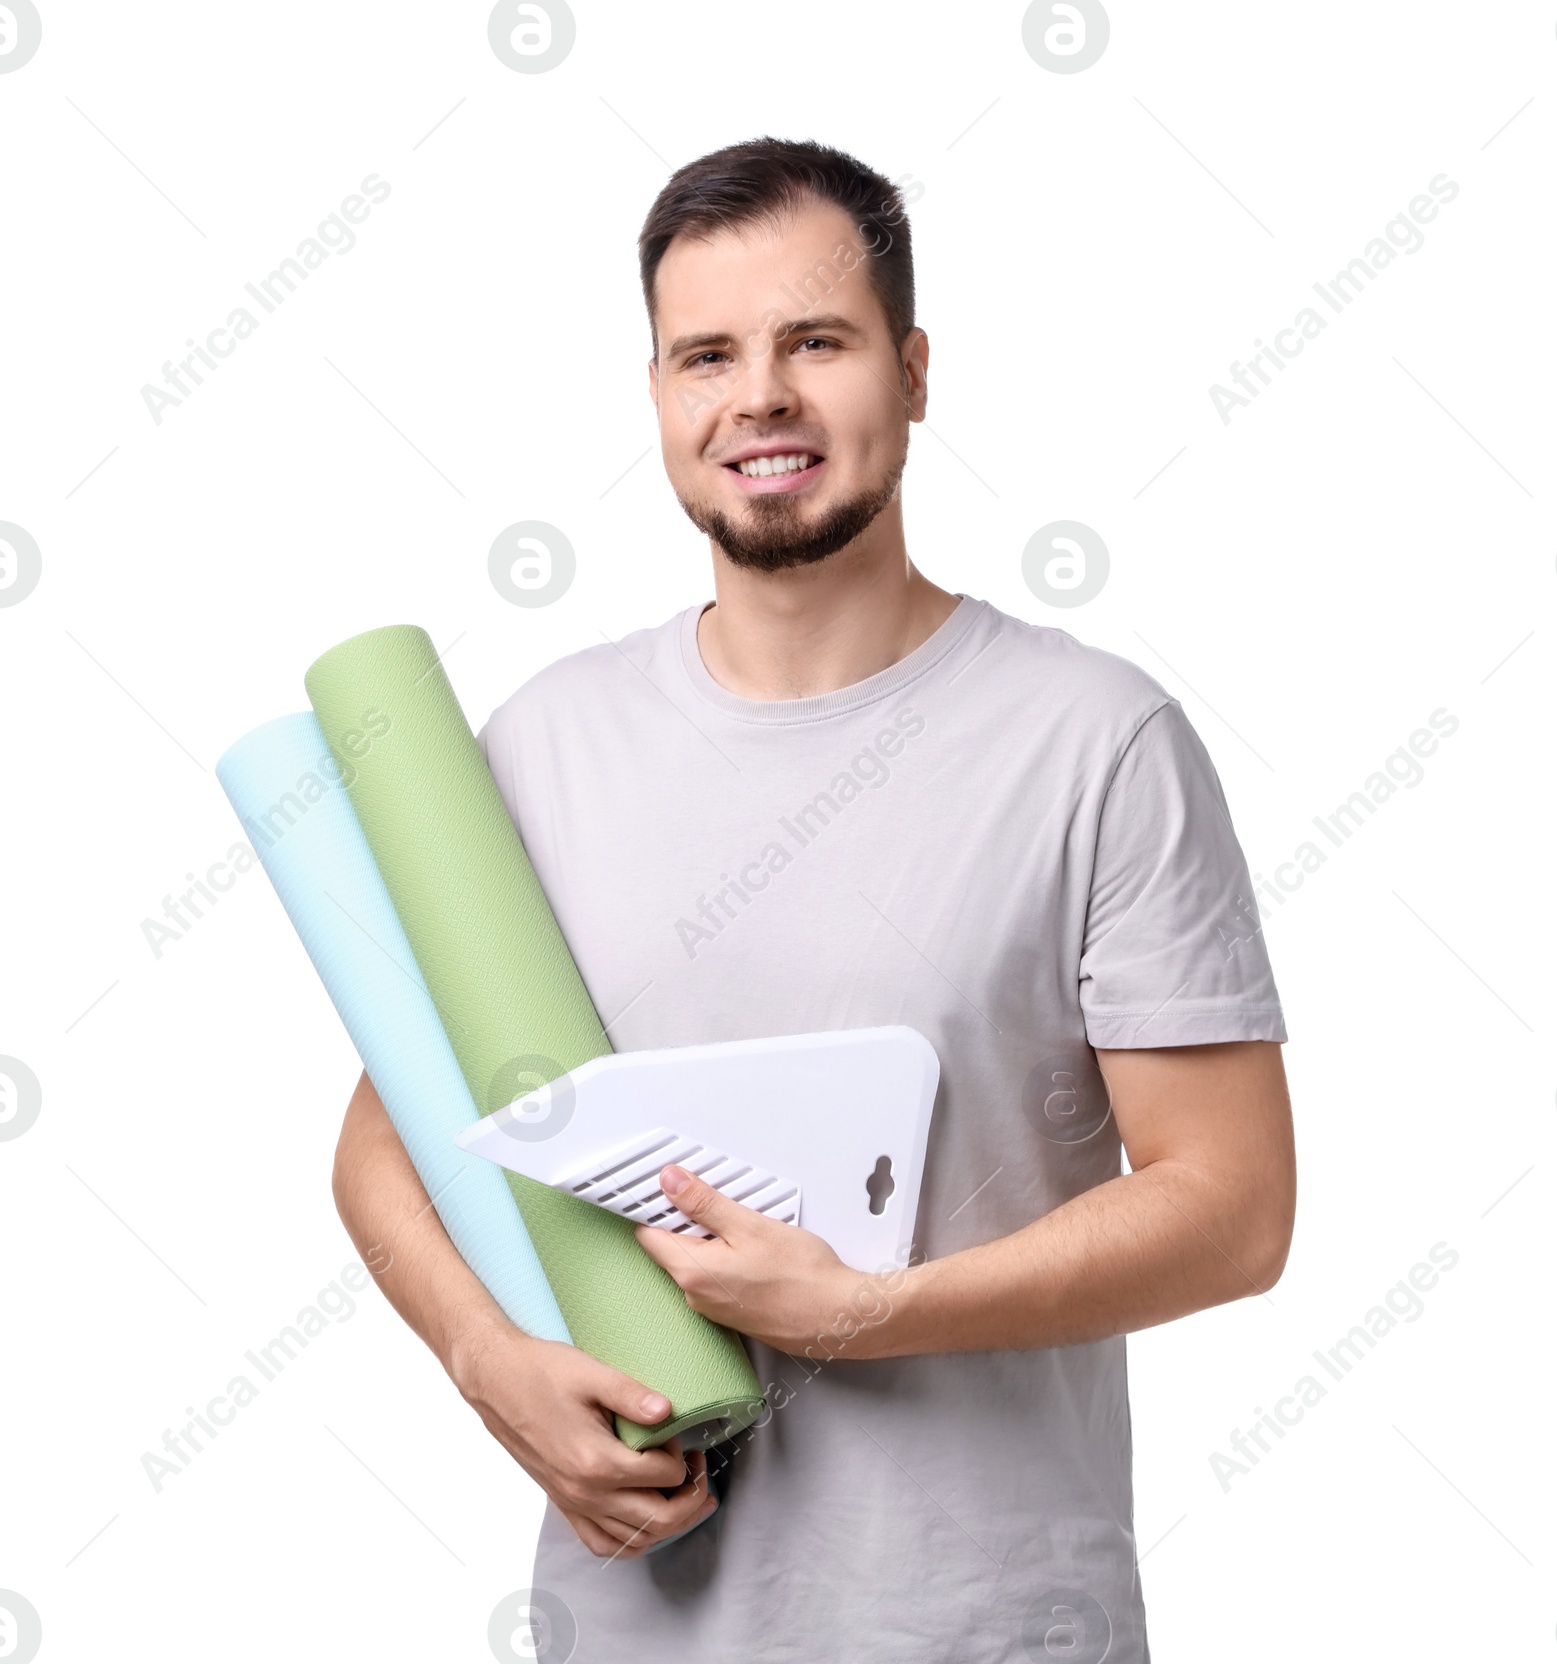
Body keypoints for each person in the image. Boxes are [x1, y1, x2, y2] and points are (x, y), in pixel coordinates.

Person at [331, 136, 1295, 1662]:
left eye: (815, 342)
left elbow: (1232, 1209)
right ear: (658, 397)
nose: (759, 397)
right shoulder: (542, 745)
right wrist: (486, 1359)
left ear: (912, 374)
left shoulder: (1098, 742)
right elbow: (386, 1143)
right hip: (631, 1620)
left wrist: (865, 1312)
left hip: (987, 1628)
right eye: (706, 354)